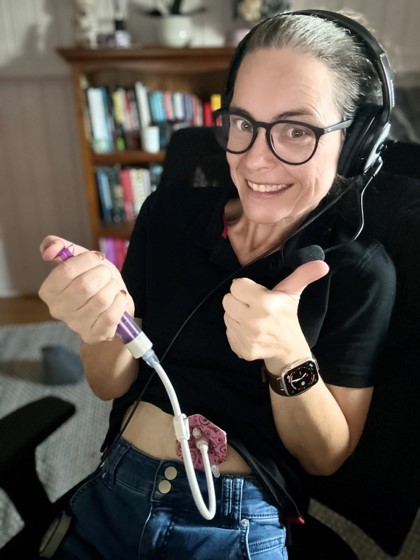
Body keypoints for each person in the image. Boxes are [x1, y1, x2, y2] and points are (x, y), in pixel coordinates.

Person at [39, 10, 396, 560]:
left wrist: (287, 356)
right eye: (243, 122)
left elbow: (325, 458)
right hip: (114, 487)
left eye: (297, 130)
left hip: (234, 519)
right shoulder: (167, 217)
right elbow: (111, 385)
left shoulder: (359, 272)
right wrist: (98, 325)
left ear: (352, 144)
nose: (255, 157)